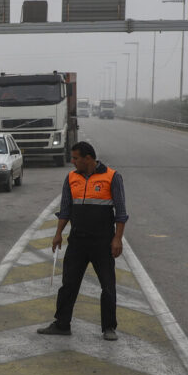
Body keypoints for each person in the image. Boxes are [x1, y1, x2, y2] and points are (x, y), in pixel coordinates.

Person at [37, 141, 128, 341]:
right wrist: (58, 233)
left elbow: (121, 213)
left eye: (76, 158)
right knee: (68, 284)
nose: (72, 162)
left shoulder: (112, 177)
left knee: (107, 285)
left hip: (102, 242)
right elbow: (66, 209)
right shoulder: (71, 178)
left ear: (88, 158)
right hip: (77, 241)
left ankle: (109, 328)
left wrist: (117, 239)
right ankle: (62, 324)